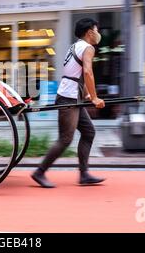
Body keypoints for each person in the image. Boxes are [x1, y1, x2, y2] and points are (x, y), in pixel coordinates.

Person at [31, 18, 106, 188]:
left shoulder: (75, 46)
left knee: (88, 132)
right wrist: (94, 98)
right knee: (65, 138)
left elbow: (75, 72)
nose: (98, 33)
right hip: (68, 97)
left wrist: (86, 93)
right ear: (89, 32)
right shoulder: (88, 48)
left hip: (72, 95)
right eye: (96, 29)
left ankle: (84, 174)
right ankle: (39, 172)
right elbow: (87, 72)